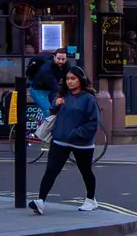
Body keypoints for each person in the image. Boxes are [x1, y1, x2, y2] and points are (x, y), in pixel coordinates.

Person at [30, 67, 101, 213]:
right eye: (68, 79)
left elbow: (93, 122)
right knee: (51, 170)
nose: (70, 82)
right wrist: (56, 105)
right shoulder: (63, 95)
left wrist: (76, 133)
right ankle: (40, 201)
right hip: (60, 140)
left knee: (85, 171)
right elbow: (52, 112)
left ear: (80, 80)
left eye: (73, 79)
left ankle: (90, 199)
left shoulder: (88, 98)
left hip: (81, 143)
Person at [27, 47, 68, 123]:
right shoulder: (47, 69)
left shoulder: (66, 65)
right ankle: (43, 133)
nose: (61, 61)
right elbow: (54, 86)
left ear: (66, 59)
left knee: (60, 108)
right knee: (48, 111)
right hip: (38, 90)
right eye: (58, 59)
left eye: (63, 59)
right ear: (54, 57)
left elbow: (71, 75)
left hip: (50, 89)